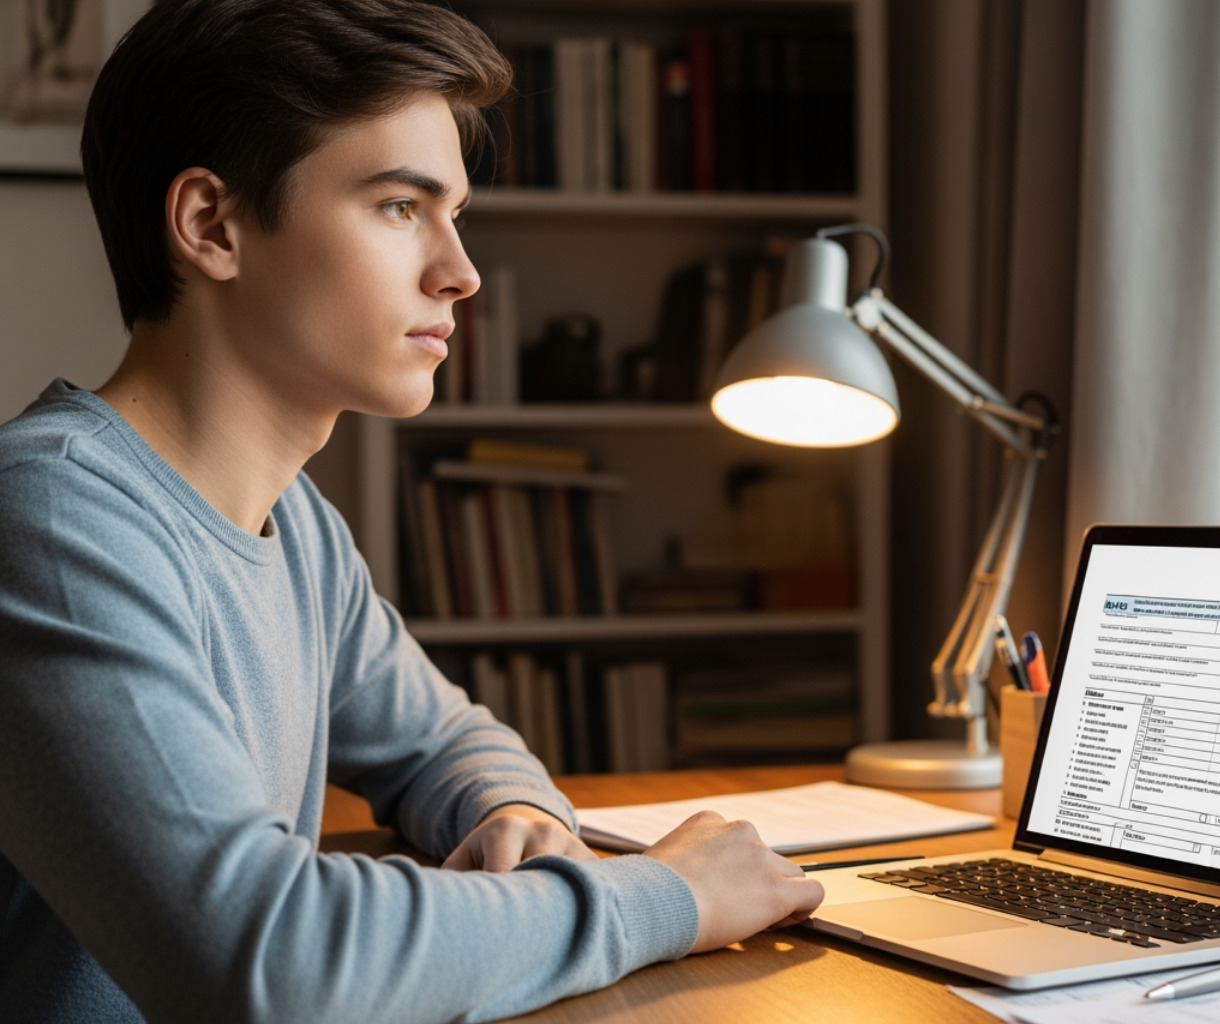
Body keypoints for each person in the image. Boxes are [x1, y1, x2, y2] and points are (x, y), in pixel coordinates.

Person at [0, 2, 823, 1021]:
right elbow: (269, 960)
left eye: (456, 214)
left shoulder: (294, 526)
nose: (461, 271)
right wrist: (666, 895)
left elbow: (446, 743)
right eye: (400, 206)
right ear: (212, 225)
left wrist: (513, 812)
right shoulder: (50, 526)